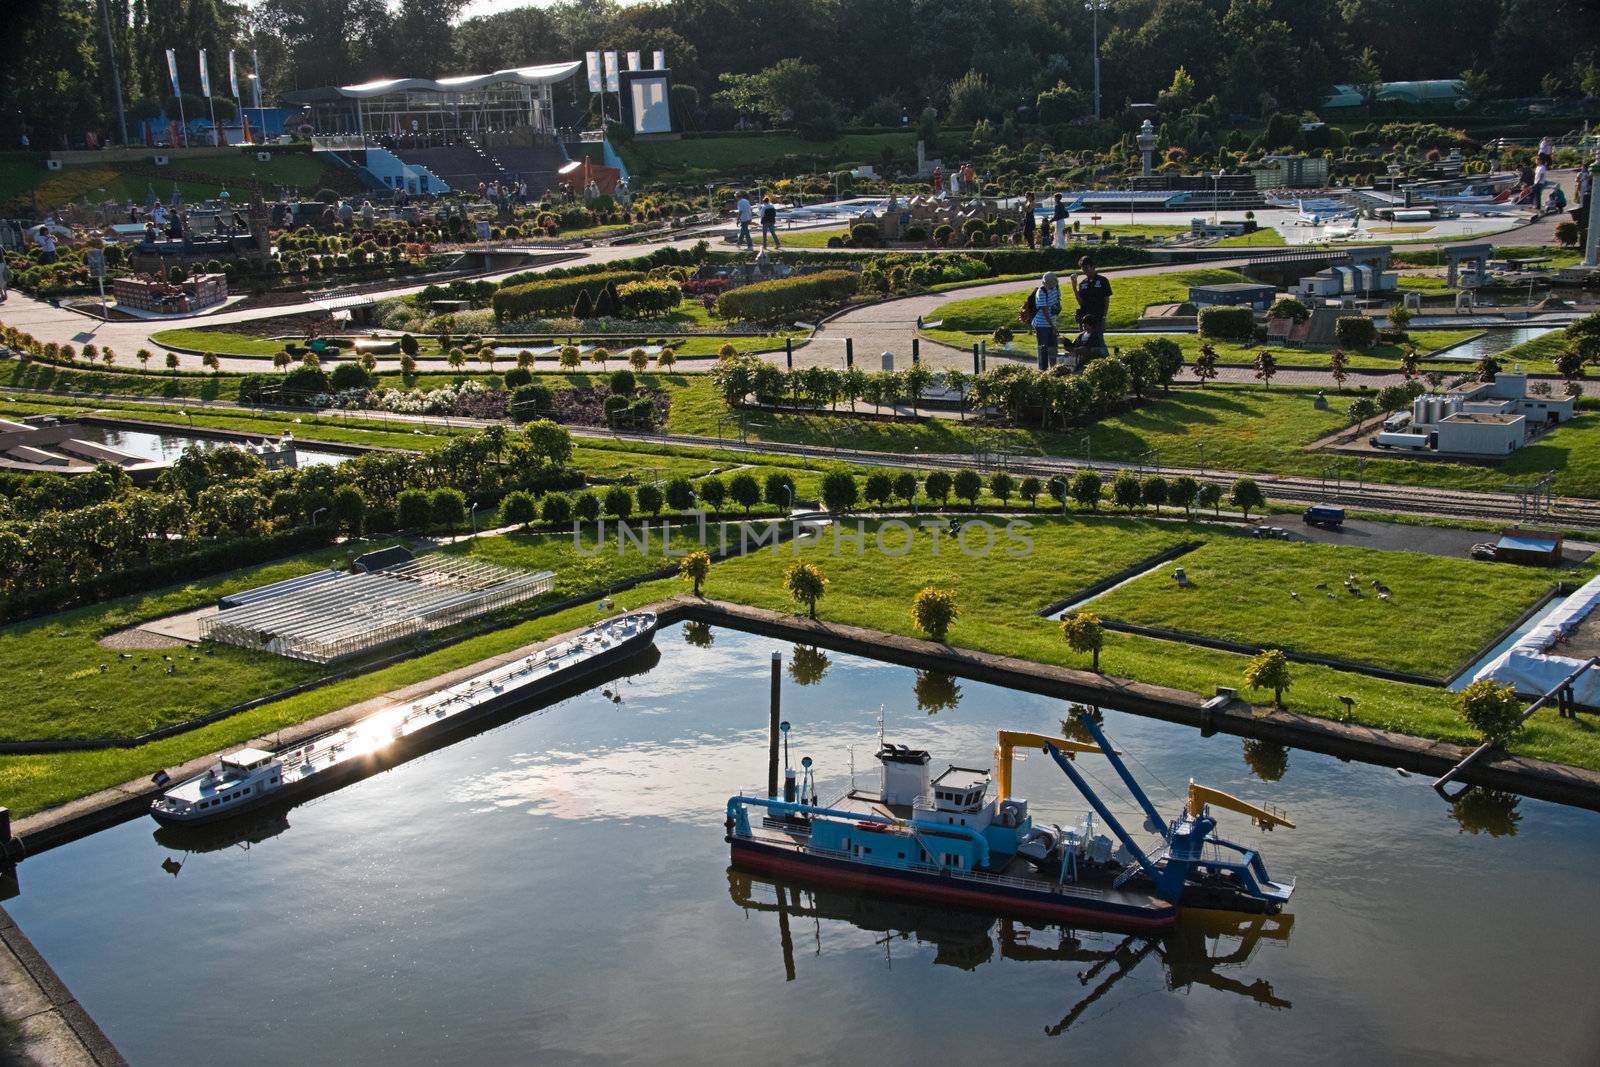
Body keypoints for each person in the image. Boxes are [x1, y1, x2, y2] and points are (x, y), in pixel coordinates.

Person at [1072, 255, 1113, 356]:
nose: (1085, 271)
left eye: (1087, 268)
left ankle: (1107, 360)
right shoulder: (1083, 283)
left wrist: (1104, 317)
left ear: (1093, 267)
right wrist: (1074, 287)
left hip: (1097, 317)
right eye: (1083, 269)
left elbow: (1106, 300)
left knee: (1099, 341)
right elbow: (1080, 302)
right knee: (1084, 342)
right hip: (1085, 318)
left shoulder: (1103, 281)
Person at [1030, 271, 1061, 370]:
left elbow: (1058, 300)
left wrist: (1058, 307)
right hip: (1041, 324)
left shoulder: (1056, 288)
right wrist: (1053, 327)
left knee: (1053, 347)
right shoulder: (1041, 292)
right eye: (1050, 284)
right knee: (1043, 347)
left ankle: (1054, 369)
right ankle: (1043, 370)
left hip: (1052, 322)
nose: (1052, 286)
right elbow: (1045, 312)